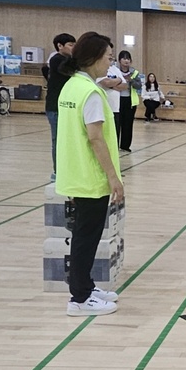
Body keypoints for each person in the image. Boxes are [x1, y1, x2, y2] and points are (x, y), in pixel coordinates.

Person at [54, 31, 124, 317]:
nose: (110, 63)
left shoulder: (72, 86)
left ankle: (85, 285)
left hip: (74, 172)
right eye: (108, 57)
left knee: (85, 234)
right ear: (94, 58)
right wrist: (113, 177)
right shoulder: (91, 93)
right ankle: (80, 298)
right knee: (87, 237)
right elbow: (96, 139)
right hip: (90, 176)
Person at [43, 33, 76, 180]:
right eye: (70, 45)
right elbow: (69, 71)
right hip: (55, 108)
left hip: (66, 107)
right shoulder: (57, 60)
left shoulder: (68, 60)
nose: (73, 48)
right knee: (57, 140)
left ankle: (67, 168)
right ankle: (57, 171)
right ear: (60, 46)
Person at [96, 54, 129, 140]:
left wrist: (113, 84)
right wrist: (118, 81)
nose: (111, 60)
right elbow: (106, 82)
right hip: (103, 108)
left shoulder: (115, 69)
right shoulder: (99, 69)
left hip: (115, 109)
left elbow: (125, 86)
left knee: (115, 136)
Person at [116, 51, 141, 153]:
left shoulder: (134, 73)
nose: (126, 61)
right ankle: (115, 145)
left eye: (128, 59)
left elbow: (139, 86)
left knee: (128, 124)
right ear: (119, 60)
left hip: (130, 101)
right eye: (124, 58)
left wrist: (131, 80)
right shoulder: (115, 71)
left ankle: (125, 146)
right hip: (117, 101)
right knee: (117, 123)